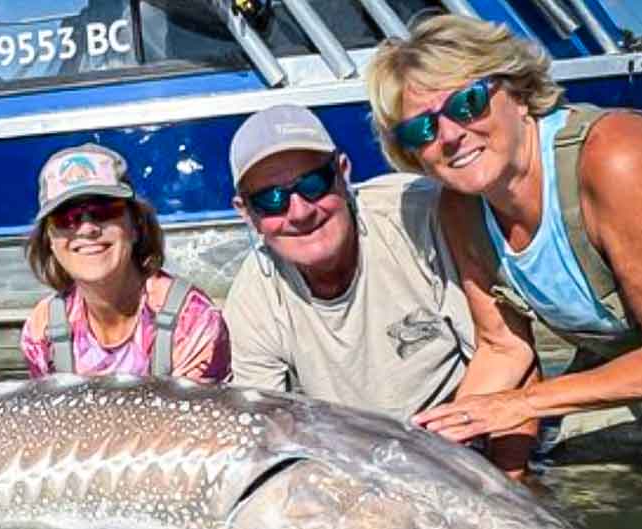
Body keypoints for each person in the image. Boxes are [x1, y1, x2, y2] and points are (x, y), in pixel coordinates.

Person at [364, 15, 642, 466]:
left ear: (516, 93)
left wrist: (520, 405)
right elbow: (503, 347)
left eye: (468, 103)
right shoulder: (460, 207)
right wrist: (435, 454)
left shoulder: (617, 159)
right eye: (421, 129)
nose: (451, 135)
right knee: (584, 479)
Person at [221, 105, 519, 469]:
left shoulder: (422, 215)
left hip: (468, 446)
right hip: (351, 469)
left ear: (344, 173)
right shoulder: (252, 302)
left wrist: (509, 479)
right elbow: (262, 443)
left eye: (313, 184)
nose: (299, 212)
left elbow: (511, 357)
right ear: (246, 213)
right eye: (270, 200)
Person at [19, 143, 230, 382]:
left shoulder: (193, 319)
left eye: (104, 210)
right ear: (49, 240)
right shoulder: (41, 329)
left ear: (136, 225)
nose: (87, 228)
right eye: (66, 218)